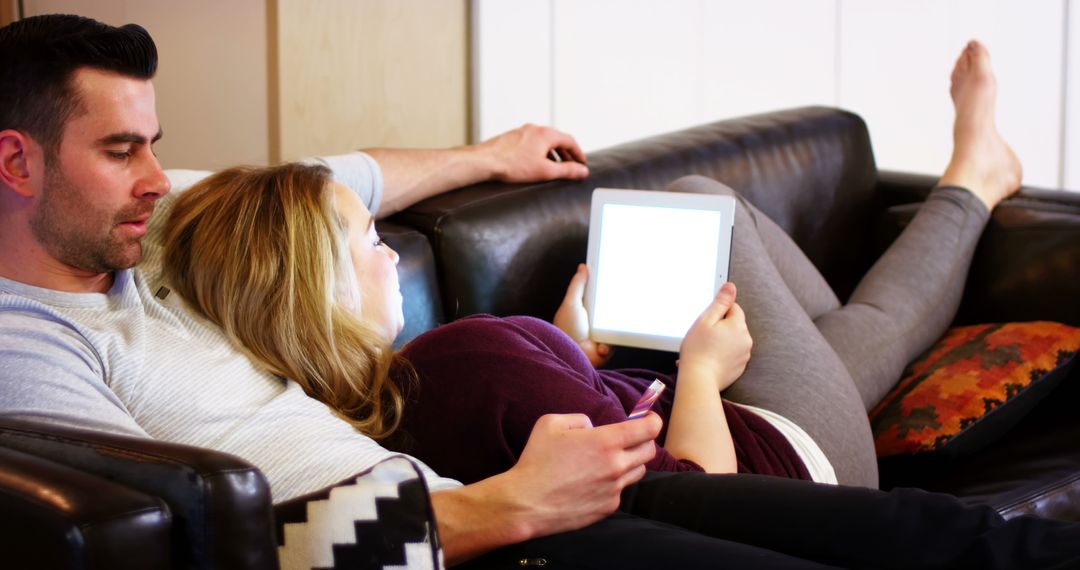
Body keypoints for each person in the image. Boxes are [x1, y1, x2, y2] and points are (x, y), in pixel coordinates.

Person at [0, 13, 1076, 569]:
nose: (158, 179)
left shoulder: (140, 231)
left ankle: (971, 180)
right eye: (123, 150)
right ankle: (972, 183)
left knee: (961, 539)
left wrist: (488, 151)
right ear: (19, 164)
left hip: (523, 502)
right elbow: (192, 549)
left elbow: (338, 181)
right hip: (490, 537)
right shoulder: (30, 348)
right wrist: (503, 505)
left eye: (159, 148)